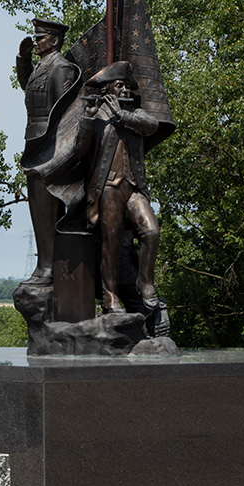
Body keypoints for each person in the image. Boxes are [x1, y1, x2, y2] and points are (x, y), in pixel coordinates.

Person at [70, 62, 161, 314]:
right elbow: (79, 150)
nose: (124, 89)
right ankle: (109, 297)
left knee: (151, 231)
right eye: (118, 85)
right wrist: (88, 116)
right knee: (111, 244)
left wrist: (123, 115)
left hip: (133, 189)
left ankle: (145, 280)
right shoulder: (96, 116)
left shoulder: (136, 114)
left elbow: (151, 125)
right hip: (108, 189)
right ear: (108, 88)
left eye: (126, 85)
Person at [17, 18, 80, 285]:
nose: (36, 41)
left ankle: (47, 267)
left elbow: (63, 114)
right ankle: (45, 265)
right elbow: (28, 86)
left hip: (49, 146)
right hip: (34, 142)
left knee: (47, 210)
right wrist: (23, 58)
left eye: (40, 38)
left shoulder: (61, 68)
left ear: (53, 40)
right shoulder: (42, 67)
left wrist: (57, 154)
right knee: (37, 209)